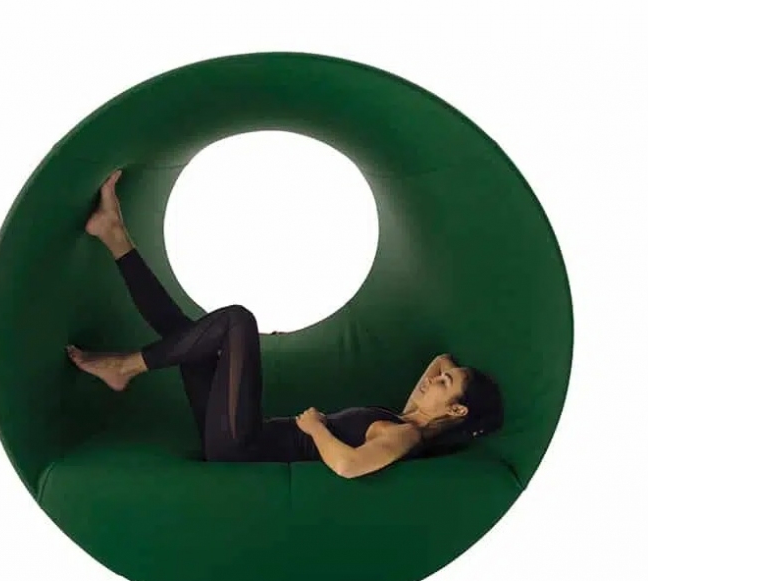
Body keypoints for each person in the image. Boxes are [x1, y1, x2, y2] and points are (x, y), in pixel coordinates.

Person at [66, 169, 504, 479]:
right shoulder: (406, 419)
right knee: (183, 334)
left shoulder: (406, 436)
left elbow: (348, 466)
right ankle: (114, 235)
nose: (435, 378)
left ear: (457, 410)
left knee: (237, 322)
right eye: (442, 379)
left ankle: (125, 367)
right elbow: (440, 359)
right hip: (236, 436)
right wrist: (449, 385)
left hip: (241, 447)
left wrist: (316, 429)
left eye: (445, 384)